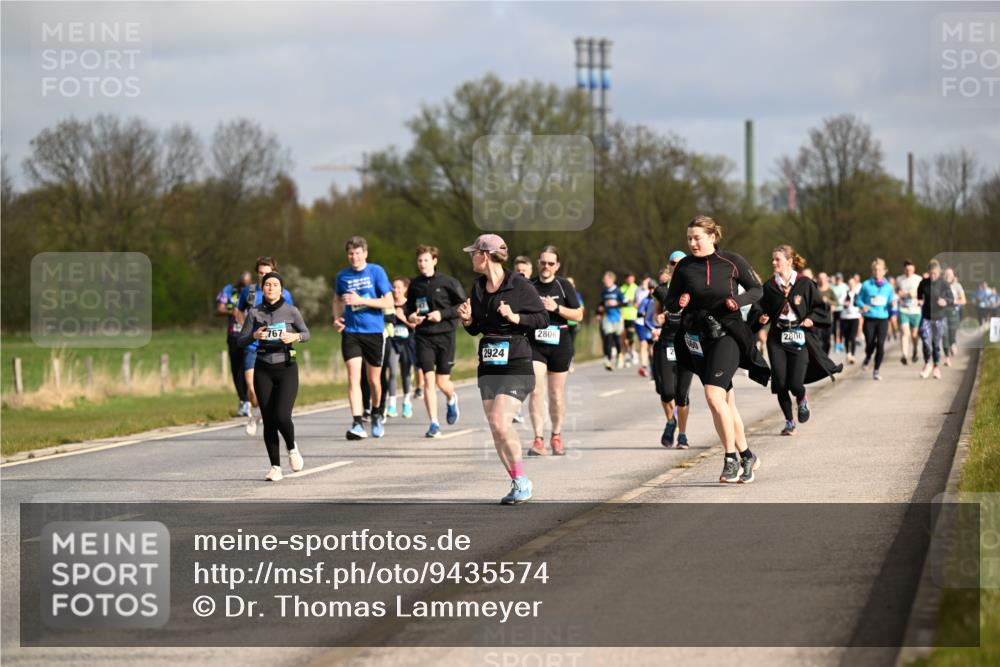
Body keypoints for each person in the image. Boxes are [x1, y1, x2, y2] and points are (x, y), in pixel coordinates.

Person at [664, 216, 769, 483]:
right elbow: (670, 302)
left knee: (712, 396)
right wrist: (680, 301)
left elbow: (757, 290)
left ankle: (730, 458)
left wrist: (737, 300)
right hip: (699, 339)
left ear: (712, 237)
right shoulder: (685, 267)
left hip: (728, 335)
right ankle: (747, 456)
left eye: (697, 238)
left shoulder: (732, 262)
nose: (692, 243)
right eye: (689, 238)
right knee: (725, 403)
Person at [457, 234, 549, 504]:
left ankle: (523, 481)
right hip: (488, 361)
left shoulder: (518, 285)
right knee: (495, 426)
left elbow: (542, 318)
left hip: (517, 360)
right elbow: (476, 329)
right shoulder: (477, 287)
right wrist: (467, 320)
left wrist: (515, 317)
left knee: (499, 420)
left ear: (485, 255)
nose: (471, 256)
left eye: (474, 252)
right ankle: (517, 480)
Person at [754, 246, 842, 436]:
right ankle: (789, 422)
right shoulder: (769, 287)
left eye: (777, 259)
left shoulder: (805, 284)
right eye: (773, 259)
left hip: (799, 336)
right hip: (777, 338)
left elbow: (820, 307)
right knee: (780, 384)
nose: (773, 263)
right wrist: (761, 317)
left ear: (789, 261)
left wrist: (812, 319)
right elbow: (759, 308)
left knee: (795, 384)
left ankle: (802, 400)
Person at [237, 271, 309, 481]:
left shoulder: (291, 311)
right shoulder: (254, 313)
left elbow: (306, 334)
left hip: (287, 367)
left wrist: (294, 336)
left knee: (282, 417)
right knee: (268, 420)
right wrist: (254, 335)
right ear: (262, 288)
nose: (271, 288)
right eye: (267, 284)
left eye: (275, 284)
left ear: (281, 288)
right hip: (263, 368)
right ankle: (275, 467)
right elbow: (241, 340)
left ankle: (292, 446)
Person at [333, 236, 394, 440]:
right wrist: (336, 318)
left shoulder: (376, 271)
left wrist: (361, 300)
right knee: (353, 377)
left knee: (374, 380)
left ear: (365, 254)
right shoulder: (342, 276)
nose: (354, 257)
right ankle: (358, 422)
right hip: (351, 332)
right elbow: (336, 299)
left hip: (374, 332)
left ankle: (376, 412)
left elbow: (389, 302)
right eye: (351, 253)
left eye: (358, 253)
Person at [405, 245, 467, 438]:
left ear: (434, 261)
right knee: (428, 380)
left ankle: (451, 397)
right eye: (419, 260)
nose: (422, 264)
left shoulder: (448, 282)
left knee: (442, 382)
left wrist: (442, 314)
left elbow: (463, 304)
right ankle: (434, 423)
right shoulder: (415, 285)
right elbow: (408, 309)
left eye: (426, 260)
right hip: (423, 336)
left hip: (445, 335)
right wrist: (412, 317)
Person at [527, 246, 584, 457]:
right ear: (538, 263)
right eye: (543, 262)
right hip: (536, 344)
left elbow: (578, 315)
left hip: (560, 343)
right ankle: (538, 439)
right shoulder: (529, 285)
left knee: (556, 395)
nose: (546, 266)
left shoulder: (564, 286)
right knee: (535, 390)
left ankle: (556, 436)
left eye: (551, 263)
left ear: (557, 266)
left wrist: (556, 308)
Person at [238, 257, 295, 436]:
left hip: (275, 348)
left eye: (267, 273)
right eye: (261, 273)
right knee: (251, 387)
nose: (264, 276)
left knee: (273, 393)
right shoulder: (250, 292)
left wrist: (287, 335)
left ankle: (261, 415)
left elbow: (292, 317)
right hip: (253, 345)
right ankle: (256, 412)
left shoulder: (284, 293)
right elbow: (239, 310)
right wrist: (246, 330)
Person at [652, 253, 695, 448]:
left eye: (680, 263)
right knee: (666, 392)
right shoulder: (661, 291)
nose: (676, 266)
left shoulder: (695, 288)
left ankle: (682, 435)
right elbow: (652, 316)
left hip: (687, 343)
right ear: (668, 266)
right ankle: (671, 420)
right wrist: (657, 320)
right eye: (672, 263)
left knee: (682, 394)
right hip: (667, 343)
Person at [216, 271, 253, 416]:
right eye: (242, 285)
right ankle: (243, 401)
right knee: (237, 370)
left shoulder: (254, 291)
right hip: (234, 335)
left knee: (249, 369)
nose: (245, 287)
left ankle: (252, 401)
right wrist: (232, 310)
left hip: (250, 336)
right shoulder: (229, 290)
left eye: (247, 284)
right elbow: (219, 308)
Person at [382, 277, 418, 419]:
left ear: (405, 289)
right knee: (392, 371)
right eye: (394, 287)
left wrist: (402, 318)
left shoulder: (410, 305)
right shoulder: (388, 305)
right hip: (392, 341)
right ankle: (391, 404)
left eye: (398, 287)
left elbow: (415, 326)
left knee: (406, 373)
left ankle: (406, 401)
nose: (395, 290)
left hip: (407, 342)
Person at [856, 258, 896, 381]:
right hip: (869, 319)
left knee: (880, 344)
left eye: (880, 270)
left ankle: (876, 370)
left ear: (884, 271)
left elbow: (891, 302)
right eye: (875, 270)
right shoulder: (867, 285)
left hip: (883, 319)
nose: (877, 272)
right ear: (873, 271)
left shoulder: (889, 287)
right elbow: (858, 300)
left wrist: (893, 305)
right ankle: (868, 356)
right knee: (870, 343)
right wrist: (863, 306)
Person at [917, 260, 953, 379]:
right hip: (926, 317)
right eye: (931, 273)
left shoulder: (944, 284)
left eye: (935, 273)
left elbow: (951, 299)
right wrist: (919, 300)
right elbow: (919, 293)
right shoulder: (924, 283)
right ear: (928, 272)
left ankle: (936, 367)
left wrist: (945, 302)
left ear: (939, 272)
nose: (933, 276)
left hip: (939, 318)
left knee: (936, 343)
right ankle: (927, 363)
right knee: (925, 339)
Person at [597, 271, 625, 370]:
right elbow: (600, 304)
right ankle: (608, 360)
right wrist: (599, 313)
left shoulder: (618, 291)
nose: (604, 281)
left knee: (617, 339)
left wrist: (616, 303)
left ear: (611, 279)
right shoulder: (604, 291)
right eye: (604, 280)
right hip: (607, 318)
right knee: (608, 338)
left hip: (617, 318)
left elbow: (625, 303)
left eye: (606, 279)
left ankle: (619, 355)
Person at [896, 260, 923, 366]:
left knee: (914, 334)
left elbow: (923, 293)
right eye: (907, 270)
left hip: (916, 311)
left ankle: (915, 349)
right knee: (904, 332)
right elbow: (896, 291)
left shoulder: (918, 279)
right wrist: (901, 293)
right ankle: (904, 355)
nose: (909, 272)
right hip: (904, 309)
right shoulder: (899, 279)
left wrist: (915, 294)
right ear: (904, 269)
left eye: (911, 270)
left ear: (914, 269)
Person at [943, 267, 966, 366]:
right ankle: (947, 358)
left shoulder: (957, 286)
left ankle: (953, 344)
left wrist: (953, 301)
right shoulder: (940, 285)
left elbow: (964, 300)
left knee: (952, 334)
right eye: (946, 274)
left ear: (953, 276)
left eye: (950, 274)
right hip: (942, 313)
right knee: (944, 334)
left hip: (953, 312)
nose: (948, 276)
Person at [840, 275, 863, 363]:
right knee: (846, 337)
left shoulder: (858, 294)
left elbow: (861, 304)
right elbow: (840, 302)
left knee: (852, 337)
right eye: (849, 284)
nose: (851, 285)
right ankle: (847, 354)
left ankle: (852, 355)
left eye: (852, 284)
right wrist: (844, 303)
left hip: (855, 317)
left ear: (855, 284)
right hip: (845, 317)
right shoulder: (844, 293)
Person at [620, 272, 639, 367]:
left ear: (634, 279)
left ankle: (633, 352)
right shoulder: (621, 288)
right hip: (623, 316)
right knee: (624, 338)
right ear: (625, 279)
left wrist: (633, 302)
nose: (629, 280)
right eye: (628, 278)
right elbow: (619, 301)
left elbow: (638, 302)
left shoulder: (636, 288)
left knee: (630, 337)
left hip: (633, 315)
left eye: (631, 278)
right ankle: (628, 353)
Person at [565, 276, 583, 373]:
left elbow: (581, 309)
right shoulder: (561, 293)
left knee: (570, 343)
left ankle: (570, 362)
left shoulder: (577, 295)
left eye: (571, 283)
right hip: (563, 323)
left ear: (574, 285)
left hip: (573, 323)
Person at [815, 272, 836, 355]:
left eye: (824, 278)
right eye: (820, 278)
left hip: (827, 319)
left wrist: (829, 302)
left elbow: (836, 303)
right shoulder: (815, 289)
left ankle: (826, 356)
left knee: (826, 340)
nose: (822, 280)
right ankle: (820, 357)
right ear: (818, 279)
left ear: (827, 279)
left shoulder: (830, 290)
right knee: (817, 339)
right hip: (816, 318)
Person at [830, 273, 848, 353]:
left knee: (840, 327)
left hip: (841, 309)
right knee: (834, 327)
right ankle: (836, 344)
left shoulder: (844, 286)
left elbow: (847, 297)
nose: (838, 280)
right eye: (837, 278)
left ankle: (840, 343)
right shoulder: (832, 287)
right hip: (834, 309)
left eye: (839, 278)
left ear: (842, 279)